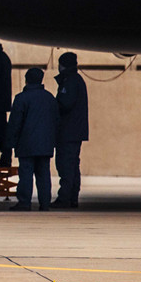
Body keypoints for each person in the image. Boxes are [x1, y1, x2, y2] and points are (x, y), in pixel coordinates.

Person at [5, 68, 59, 211]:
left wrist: (10, 142)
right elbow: (56, 121)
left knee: (26, 174)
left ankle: (24, 202)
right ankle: (45, 203)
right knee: (43, 175)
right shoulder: (50, 98)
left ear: (26, 79)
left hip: (26, 143)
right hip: (45, 144)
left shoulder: (21, 98)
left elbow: (15, 123)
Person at [52, 52, 89, 209]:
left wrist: (53, 106)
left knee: (66, 165)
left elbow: (65, 104)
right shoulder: (76, 80)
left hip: (68, 131)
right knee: (73, 165)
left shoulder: (70, 81)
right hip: (75, 130)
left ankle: (65, 197)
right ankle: (72, 197)